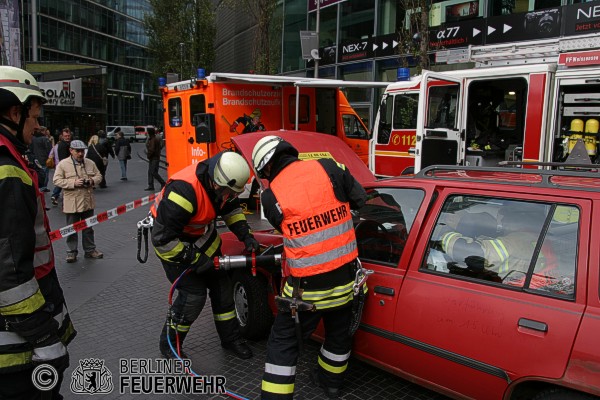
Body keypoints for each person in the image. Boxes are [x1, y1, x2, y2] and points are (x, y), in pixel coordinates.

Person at [252, 135, 367, 399]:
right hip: (346, 283)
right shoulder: (328, 166)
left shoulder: (270, 196)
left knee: (284, 343)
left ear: (266, 168)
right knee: (339, 334)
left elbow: (289, 231)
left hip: (306, 292)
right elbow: (360, 200)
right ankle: (331, 384)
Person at [0, 65, 76, 399]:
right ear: (14, 112)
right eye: (33, 116)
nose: (38, 125)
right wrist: (43, 336)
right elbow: (9, 272)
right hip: (16, 346)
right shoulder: (7, 171)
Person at [150, 151, 259, 361]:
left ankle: (230, 339)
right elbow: (162, 240)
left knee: (222, 288)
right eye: (229, 192)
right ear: (217, 184)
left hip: (202, 239)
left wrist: (246, 235)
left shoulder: (221, 184)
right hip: (173, 245)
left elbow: (231, 209)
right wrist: (196, 259)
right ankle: (170, 345)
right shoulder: (183, 191)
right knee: (193, 296)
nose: (231, 196)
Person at [53, 139, 103, 263]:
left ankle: (90, 250)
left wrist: (92, 181)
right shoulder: (63, 164)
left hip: (87, 201)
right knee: (71, 229)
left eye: (82, 151)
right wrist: (73, 183)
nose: (80, 154)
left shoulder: (89, 163)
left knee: (88, 228)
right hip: (72, 203)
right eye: (77, 151)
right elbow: (56, 180)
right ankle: (71, 252)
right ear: (71, 151)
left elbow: (99, 176)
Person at [50, 127, 72, 205]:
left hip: (60, 165)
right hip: (64, 166)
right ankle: (59, 197)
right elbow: (63, 158)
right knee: (64, 183)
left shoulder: (63, 144)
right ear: (62, 136)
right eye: (65, 136)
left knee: (62, 182)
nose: (67, 137)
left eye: (68, 135)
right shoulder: (63, 145)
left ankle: (55, 195)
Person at [28, 126, 52, 191]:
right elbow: (49, 149)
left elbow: (30, 149)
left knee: (38, 172)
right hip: (43, 159)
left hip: (35, 159)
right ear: (43, 131)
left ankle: (39, 185)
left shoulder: (33, 138)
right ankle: (43, 187)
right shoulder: (45, 139)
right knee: (45, 174)